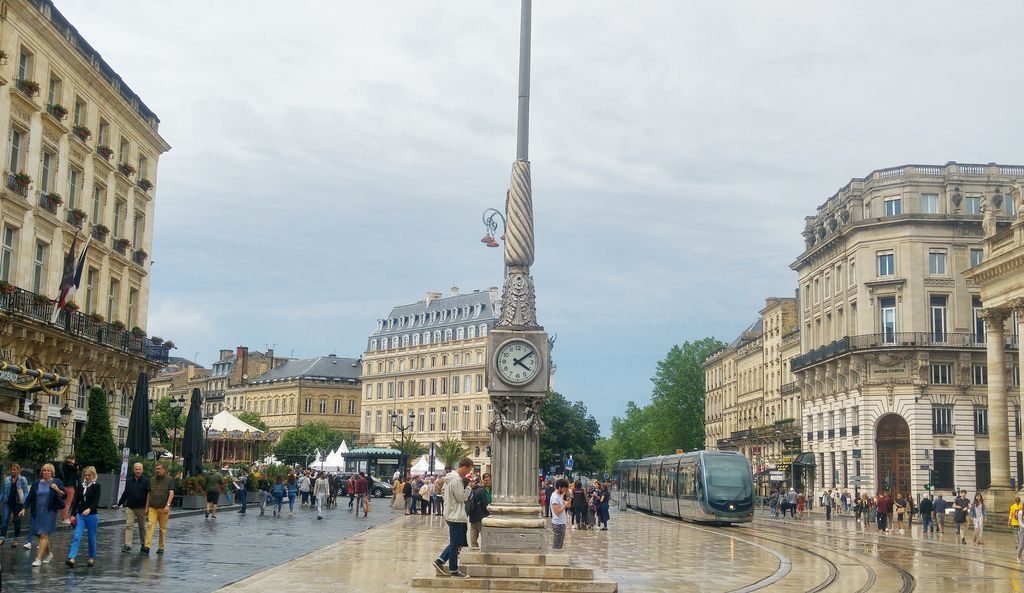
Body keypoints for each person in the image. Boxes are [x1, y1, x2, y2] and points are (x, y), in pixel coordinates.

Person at [430, 457, 473, 579]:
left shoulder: (450, 479)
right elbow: (461, 497)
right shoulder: (456, 480)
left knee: (458, 541)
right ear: (464, 467)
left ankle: (441, 560)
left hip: (452, 513)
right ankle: (453, 569)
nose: (468, 473)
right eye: (468, 470)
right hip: (456, 515)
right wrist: (469, 487)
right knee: (455, 542)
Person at [24, 463, 65, 567]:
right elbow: (29, 497)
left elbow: (64, 495)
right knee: (40, 534)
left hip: (49, 512)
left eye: (48, 471)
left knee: (43, 534)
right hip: (37, 511)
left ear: (52, 472)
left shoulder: (57, 481)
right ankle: (49, 554)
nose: (46, 472)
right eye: (44, 470)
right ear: (41, 472)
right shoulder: (36, 483)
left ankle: (38, 559)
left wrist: (57, 489)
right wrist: (24, 508)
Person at [65, 466, 100, 568]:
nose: (87, 477)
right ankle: (72, 558)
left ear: (93, 475)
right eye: (86, 475)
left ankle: (91, 557)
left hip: (92, 515)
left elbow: (96, 501)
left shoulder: (97, 486)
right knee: (76, 535)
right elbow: (76, 502)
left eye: (89, 475)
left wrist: (89, 509)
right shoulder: (81, 486)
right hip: (80, 515)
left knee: (91, 537)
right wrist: (72, 515)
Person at [115, 462, 150, 552]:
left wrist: (147, 507)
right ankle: (128, 545)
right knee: (129, 525)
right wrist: (119, 504)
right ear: (133, 470)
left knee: (142, 526)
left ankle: (144, 544)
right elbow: (125, 493)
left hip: (141, 507)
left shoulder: (146, 481)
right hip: (130, 506)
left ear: (142, 470)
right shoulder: (129, 480)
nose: (138, 471)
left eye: (139, 469)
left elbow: (149, 495)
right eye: (136, 469)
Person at [144, 463, 174, 555]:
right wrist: (146, 507)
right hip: (153, 507)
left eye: (159, 469)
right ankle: (147, 546)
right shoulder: (152, 480)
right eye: (156, 469)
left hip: (163, 508)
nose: (157, 470)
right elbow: (149, 494)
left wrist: (168, 505)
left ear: (164, 469)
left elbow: (171, 493)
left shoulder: (169, 480)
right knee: (150, 525)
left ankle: (161, 547)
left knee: (162, 528)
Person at [0, 463, 29, 547]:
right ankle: (2, 538)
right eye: (11, 469)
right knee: (4, 520)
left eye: (14, 469)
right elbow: (2, 492)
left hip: (18, 503)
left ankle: (16, 539)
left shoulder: (22, 479)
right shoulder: (7, 479)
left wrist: (25, 503)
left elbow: (26, 492)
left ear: (18, 470)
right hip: (7, 503)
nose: (12, 471)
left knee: (16, 521)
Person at [466, 473, 491, 547]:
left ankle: (474, 551)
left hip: (472, 517)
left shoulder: (470, 491)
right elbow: (485, 504)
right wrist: (488, 513)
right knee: (484, 537)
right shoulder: (481, 490)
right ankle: (485, 552)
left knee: (473, 539)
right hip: (481, 517)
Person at [550, 478, 569, 550]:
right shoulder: (555, 497)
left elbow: (568, 505)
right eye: (564, 489)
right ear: (559, 487)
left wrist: (567, 502)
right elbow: (557, 512)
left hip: (561, 523)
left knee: (559, 545)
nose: (565, 490)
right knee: (556, 546)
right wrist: (565, 505)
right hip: (558, 524)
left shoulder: (558, 496)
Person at [59, 456, 79, 525]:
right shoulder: (71, 467)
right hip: (70, 486)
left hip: (64, 485)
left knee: (65, 502)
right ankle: (65, 518)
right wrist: (73, 463)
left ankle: (63, 517)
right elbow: (76, 468)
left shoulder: (64, 466)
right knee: (68, 503)